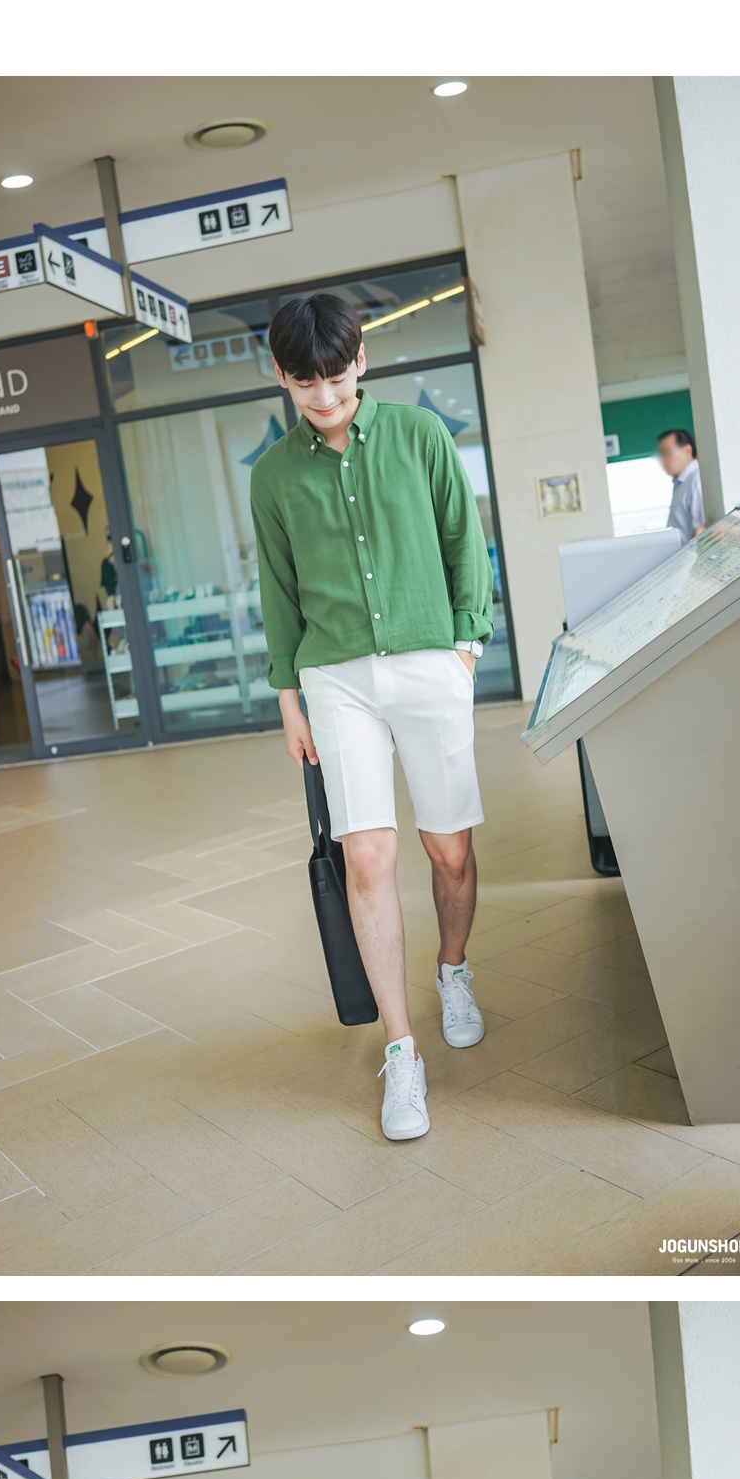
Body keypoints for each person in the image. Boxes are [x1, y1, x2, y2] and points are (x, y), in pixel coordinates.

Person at [250, 290, 493, 1144]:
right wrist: (290, 697)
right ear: (280, 376)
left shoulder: (421, 437)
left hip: (431, 663)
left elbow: (466, 543)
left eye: (336, 377)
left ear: (362, 360)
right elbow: (278, 591)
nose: (324, 397)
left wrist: (465, 649)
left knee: (448, 847)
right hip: (336, 678)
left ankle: (452, 970)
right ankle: (401, 1049)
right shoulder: (273, 476)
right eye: (305, 382)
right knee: (368, 857)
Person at [657, 427, 705, 541]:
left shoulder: (697, 479)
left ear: (688, 450)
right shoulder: (681, 482)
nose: (663, 460)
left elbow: (701, 530)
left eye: (667, 453)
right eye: (661, 455)